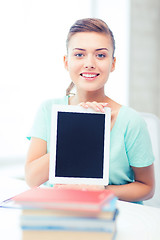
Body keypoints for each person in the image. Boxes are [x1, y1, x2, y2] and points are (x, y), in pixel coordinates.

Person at [25, 18, 155, 203]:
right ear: (66, 61)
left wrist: (101, 190)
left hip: (114, 215)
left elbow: (147, 188)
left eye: (101, 55)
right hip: (59, 211)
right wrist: (75, 126)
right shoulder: (48, 110)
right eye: (79, 55)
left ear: (113, 63)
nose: (89, 63)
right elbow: (32, 179)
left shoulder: (131, 121)